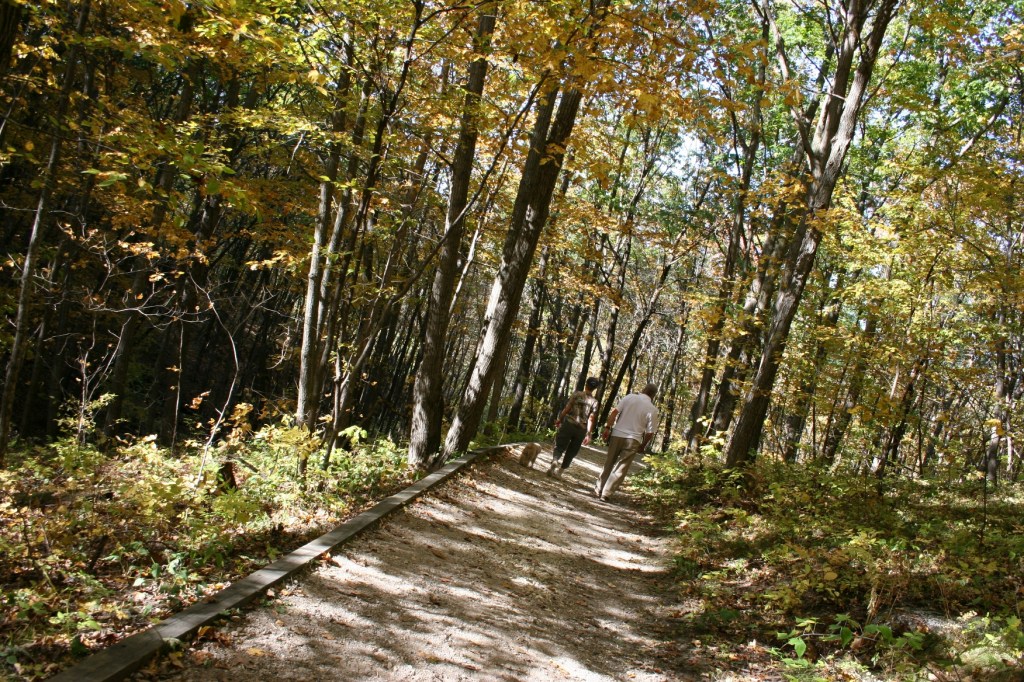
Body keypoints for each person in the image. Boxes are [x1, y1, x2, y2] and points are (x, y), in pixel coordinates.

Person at [595, 383, 659, 500]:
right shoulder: (652, 410)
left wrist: (607, 428)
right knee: (621, 467)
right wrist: (643, 445)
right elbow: (650, 433)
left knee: (609, 462)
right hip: (634, 439)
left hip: (617, 434)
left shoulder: (629, 397)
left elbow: (614, 412)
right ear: (654, 395)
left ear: (643, 389)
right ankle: (606, 493)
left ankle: (599, 488)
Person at [547, 377, 601, 479]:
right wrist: (589, 433)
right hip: (581, 429)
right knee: (572, 451)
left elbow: (567, 409)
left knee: (560, 445)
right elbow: (591, 418)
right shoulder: (594, 402)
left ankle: (555, 460)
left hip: (569, 424)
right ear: (594, 389)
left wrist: (559, 419)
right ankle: (560, 472)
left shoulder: (576, 394)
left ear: (586, 384)